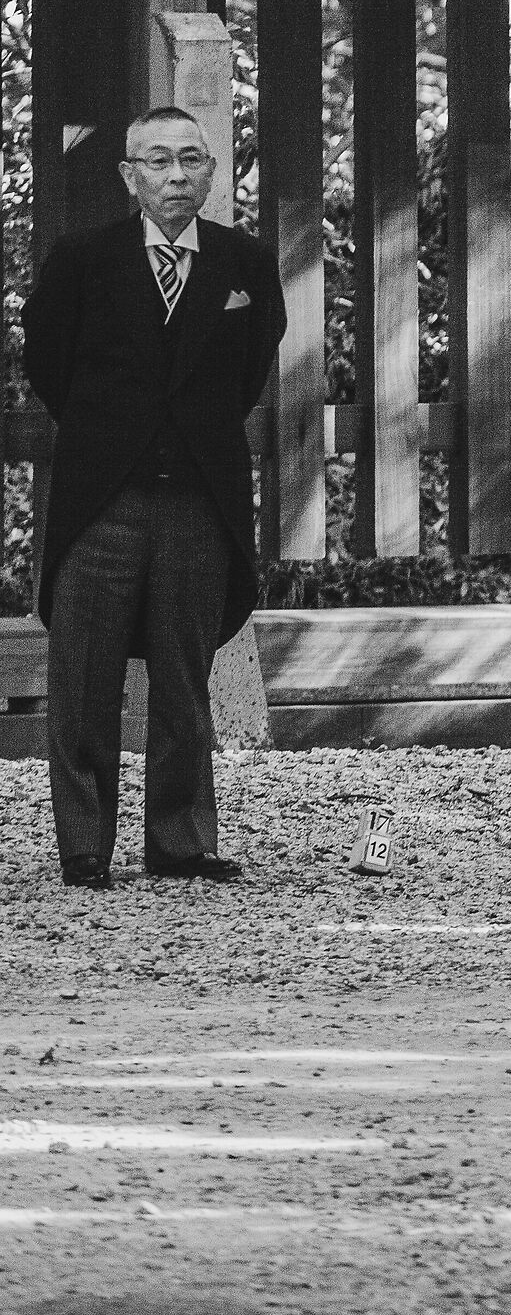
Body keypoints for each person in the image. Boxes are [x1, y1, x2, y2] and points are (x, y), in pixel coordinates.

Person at [23, 106, 287, 888]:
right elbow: (49, 362)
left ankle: (179, 841)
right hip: (101, 497)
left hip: (197, 500)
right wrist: (116, 430)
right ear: (129, 176)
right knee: (83, 681)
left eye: (193, 160)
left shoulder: (245, 263)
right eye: (159, 162)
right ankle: (83, 847)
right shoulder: (83, 259)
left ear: (211, 170)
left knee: (183, 677)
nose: (178, 176)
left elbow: (249, 372)